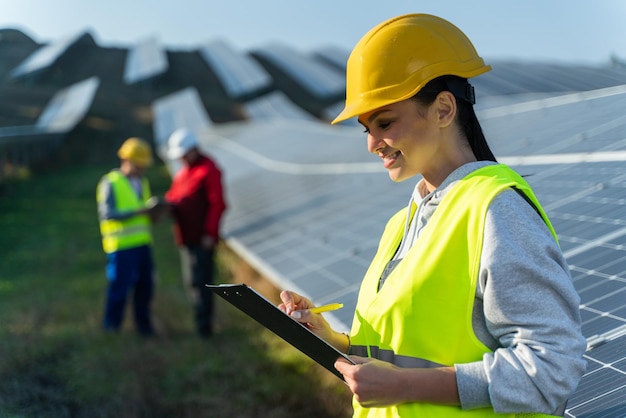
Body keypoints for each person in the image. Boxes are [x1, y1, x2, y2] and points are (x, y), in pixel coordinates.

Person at [278, 14, 587, 417]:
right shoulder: (400, 226)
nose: (372, 143)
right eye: (365, 128)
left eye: (385, 122)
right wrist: (338, 343)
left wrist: (405, 386)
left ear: (443, 109)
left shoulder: (496, 211)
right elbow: (407, 349)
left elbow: (551, 370)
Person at [96, 137, 163, 336]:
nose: (142, 169)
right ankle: (111, 328)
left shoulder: (142, 182)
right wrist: (139, 212)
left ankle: (144, 328)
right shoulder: (110, 182)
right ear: (127, 160)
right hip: (120, 246)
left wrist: (154, 214)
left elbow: (144, 211)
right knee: (119, 289)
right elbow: (107, 213)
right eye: (139, 165)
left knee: (145, 288)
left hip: (142, 244)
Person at [164, 128, 226, 338]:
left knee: (201, 283)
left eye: (184, 154)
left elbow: (217, 204)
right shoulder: (184, 173)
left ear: (193, 149)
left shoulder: (209, 170)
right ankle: (200, 324)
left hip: (201, 239)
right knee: (192, 282)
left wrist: (210, 233)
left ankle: (205, 329)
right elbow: (174, 196)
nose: (181, 158)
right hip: (187, 237)